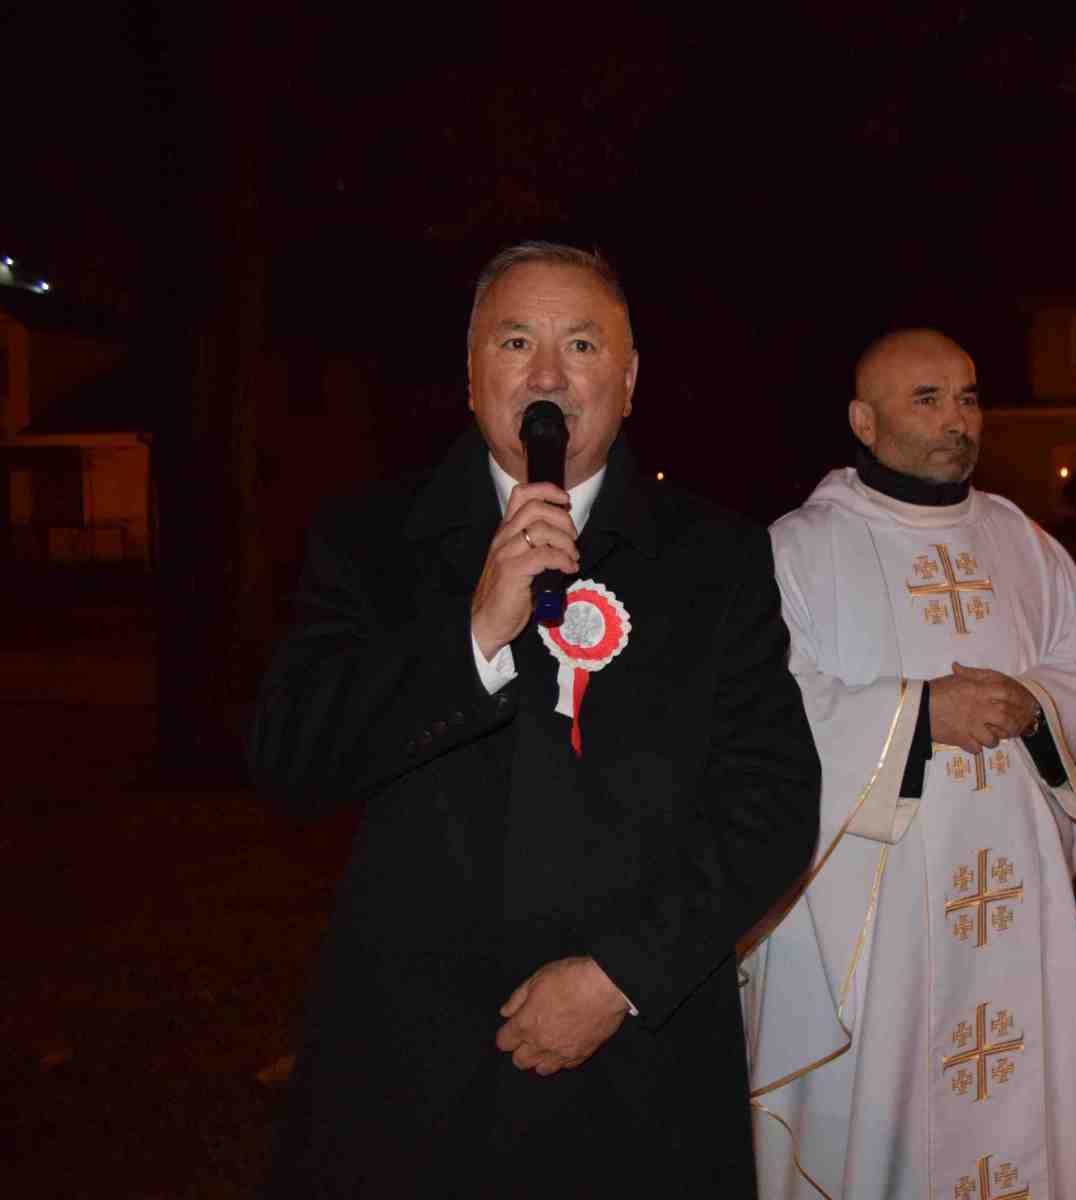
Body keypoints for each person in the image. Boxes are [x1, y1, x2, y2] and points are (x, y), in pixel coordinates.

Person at [250, 241, 820, 1196]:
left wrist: (620, 977)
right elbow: (290, 762)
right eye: (516, 342)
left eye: (582, 346)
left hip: (640, 1075)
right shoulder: (366, 539)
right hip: (413, 1077)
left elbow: (773, 801)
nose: (548, 375)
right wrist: (473, 634)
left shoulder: (716, 559)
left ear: (629, 384)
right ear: (471, 376)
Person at [741, 329, 1076, 1199]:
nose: (958, 420)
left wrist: (1034, 701)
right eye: (928, 399)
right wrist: (918, 714)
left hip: (1014, 892)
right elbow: (768, 707)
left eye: (969, 398)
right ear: (863, 421)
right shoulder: (800, 549)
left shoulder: (1018, 538)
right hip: (878, 910)